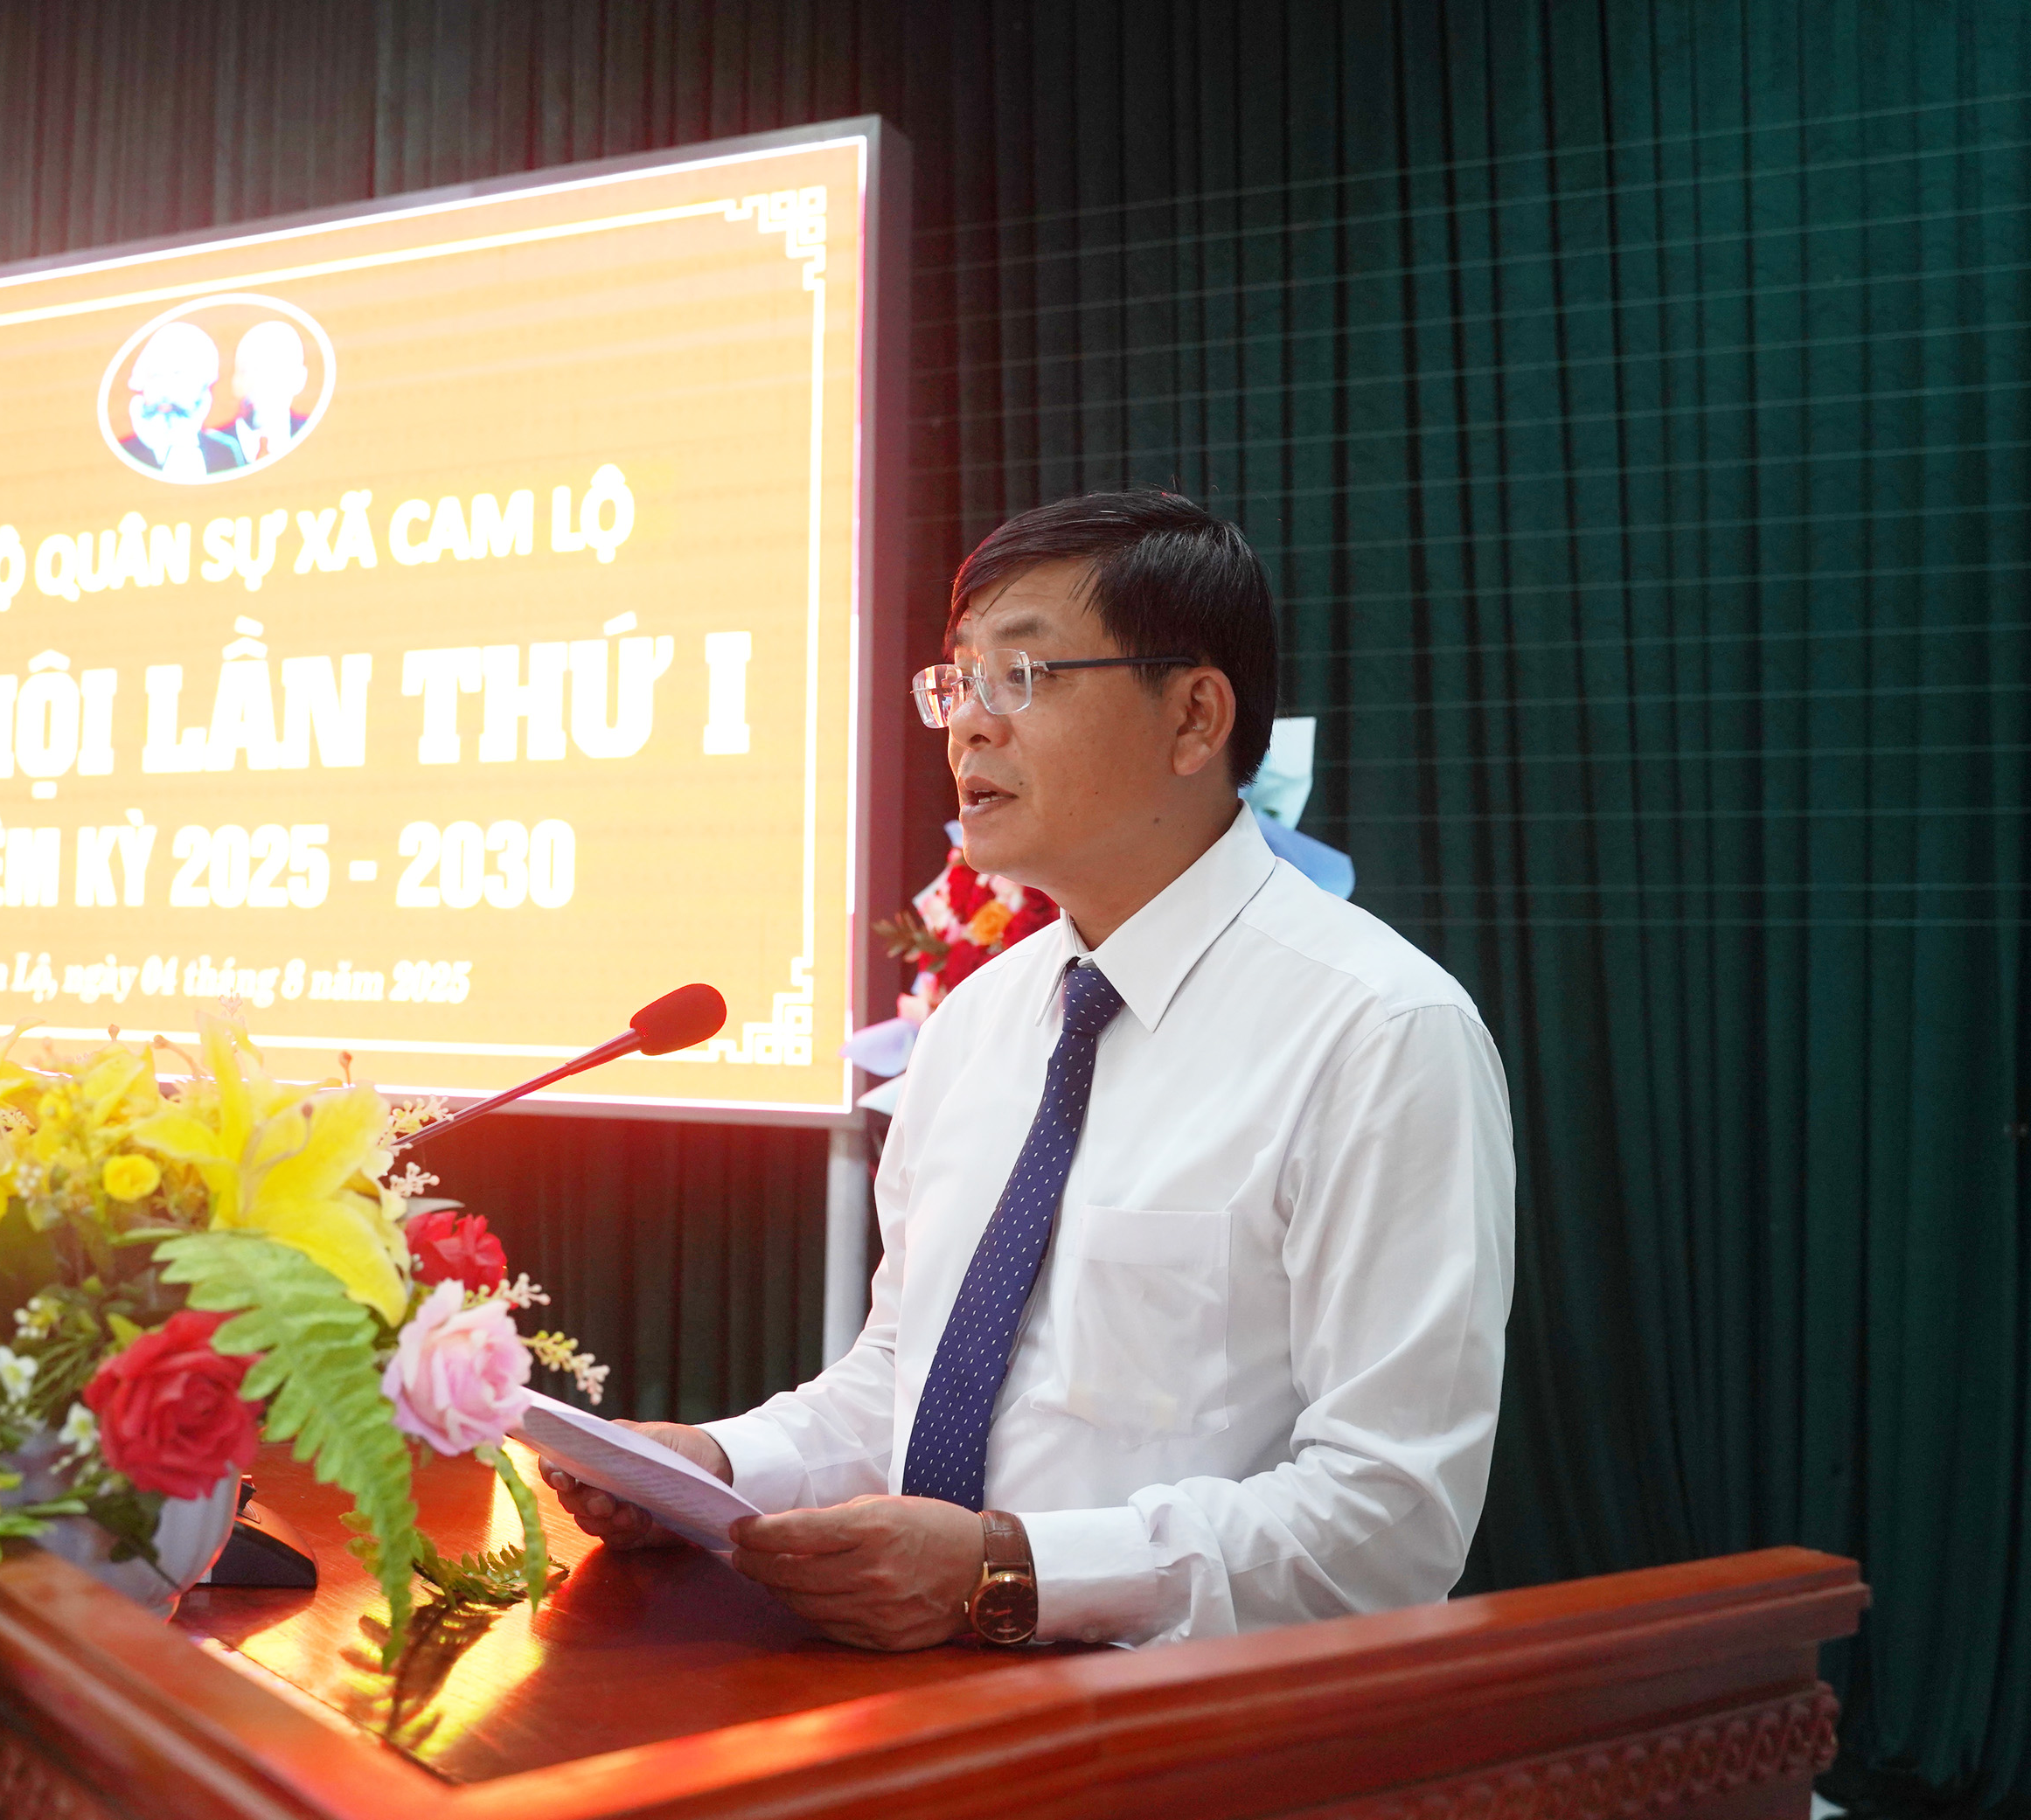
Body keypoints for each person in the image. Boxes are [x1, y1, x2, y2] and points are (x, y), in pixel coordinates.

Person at [546, 490, 1516, 1651]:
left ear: (1195, 717)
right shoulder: (976, 1025)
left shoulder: (1379, 1032)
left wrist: (1009, 1572)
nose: (968, 725)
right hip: (913, 1695)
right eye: (957, 681)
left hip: (1190, 1725)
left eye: (1022, 676)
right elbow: (904, 1380)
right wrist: (712, 1464)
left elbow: (1389, 1521)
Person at [117, 321, 236, 481]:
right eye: (156, 376)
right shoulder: (123, 453)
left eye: (178, 376)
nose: (165, 390)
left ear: (202, 388)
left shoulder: (225, 451)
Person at [222, 319, 309, 465]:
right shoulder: (209, 449)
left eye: (273, 371)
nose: (258, 383)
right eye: (247, 371)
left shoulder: (319, 436)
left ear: (299, 379)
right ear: (234, 381)